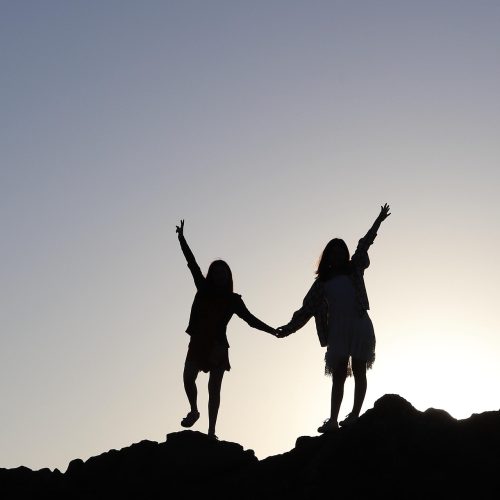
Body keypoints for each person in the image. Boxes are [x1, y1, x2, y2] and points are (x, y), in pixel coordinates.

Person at [277, 204, 391, 433]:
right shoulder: (322, 283)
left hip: (359, 323)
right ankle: (332, 420)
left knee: (359, 369)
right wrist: (288, 329)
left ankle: (355, 415)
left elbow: (364, 243)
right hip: (337, 329)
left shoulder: (354, 269)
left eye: (342, 251)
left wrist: (378, 221)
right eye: (334, 252)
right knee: (338, 375)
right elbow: (306, 309)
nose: (339, 255)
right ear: (328, 256)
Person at [176, 220, 277, 439]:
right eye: (216, 272)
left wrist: (272, 330)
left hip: (218, 346)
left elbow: (251, 320)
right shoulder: (203, 288)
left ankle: (212, 431)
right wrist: (182, 239)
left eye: (224, 273)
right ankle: (194, 410)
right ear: (212, 275)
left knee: (214, 389)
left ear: (228, 277)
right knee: (187, 377)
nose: (220, 276)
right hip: (198, 342)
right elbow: (192, 263)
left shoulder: (233, 300)